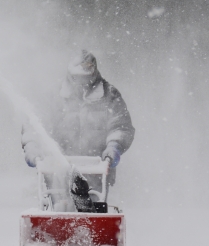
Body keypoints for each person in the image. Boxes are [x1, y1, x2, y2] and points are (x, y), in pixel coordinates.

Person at [22, 50, 135, 189]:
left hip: (98, 171)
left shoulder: (109, 96)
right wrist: (32, 146)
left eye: (86, 78)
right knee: (59, 205)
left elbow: (120, 126)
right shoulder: (53, 96)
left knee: (94, 206)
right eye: (77, 78)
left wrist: (114, 146)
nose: (82, 83)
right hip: (57, 170)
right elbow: (35, 124)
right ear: (70, 75)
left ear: (93, 74)